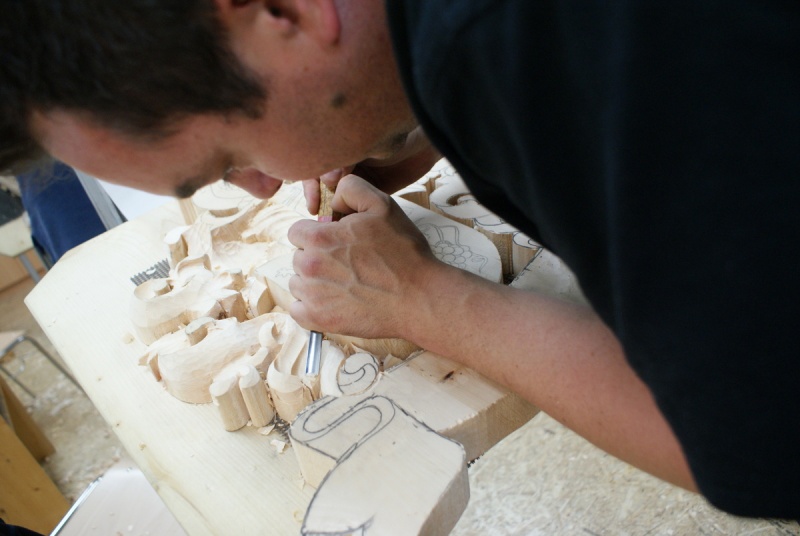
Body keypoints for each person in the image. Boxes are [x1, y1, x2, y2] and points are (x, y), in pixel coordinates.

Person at [1, 0, 797, 521]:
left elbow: (755, 441)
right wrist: (413, 119)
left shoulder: (522, 43)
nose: (264, 188)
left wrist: (427, 300)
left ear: (285, 11)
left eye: (230, 159)